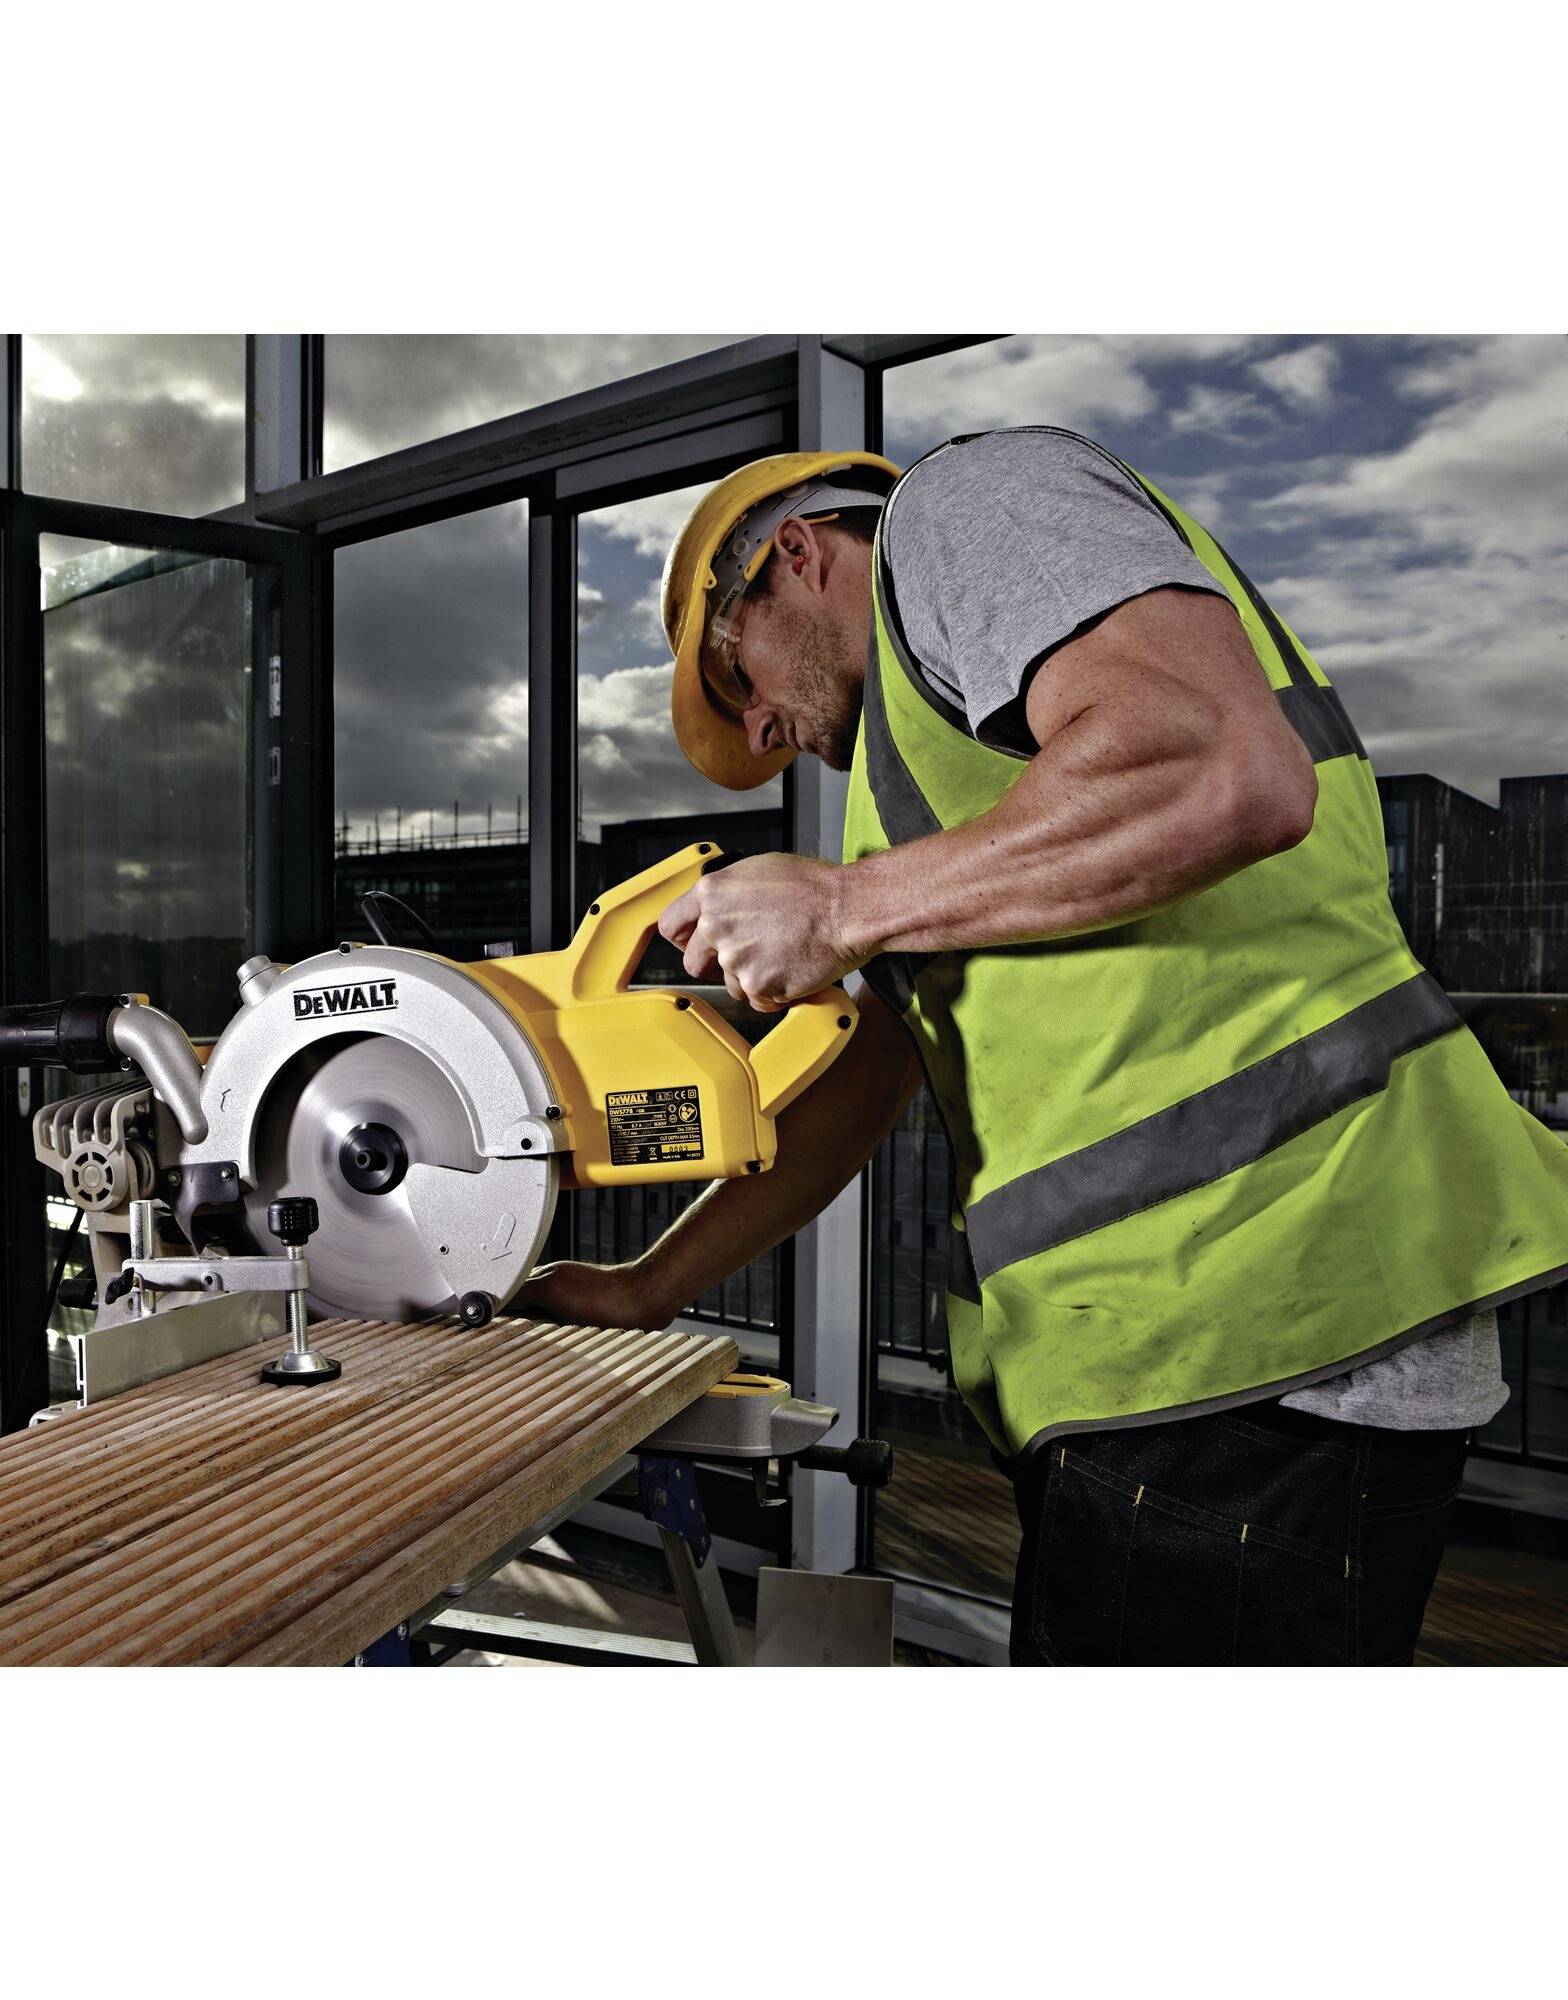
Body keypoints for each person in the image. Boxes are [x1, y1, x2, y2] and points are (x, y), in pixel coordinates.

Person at [511, 428, 1568, 1665]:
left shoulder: (965, 504)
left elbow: (1224, 770)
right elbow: (869, 1071)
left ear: (793, 553)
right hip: (1172, 1364)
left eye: (731, 672)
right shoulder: (931, 797)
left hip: (1258, 1327)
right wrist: (644, 1287)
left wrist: (843, 907)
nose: (756, 731)